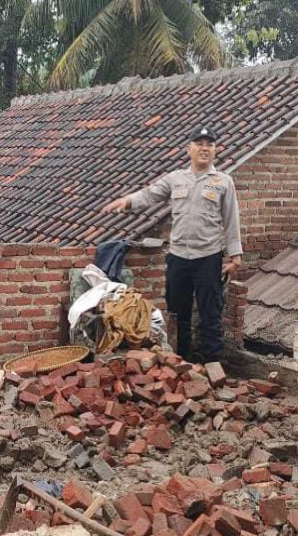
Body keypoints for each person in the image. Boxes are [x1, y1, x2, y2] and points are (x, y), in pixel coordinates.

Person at [101, 126, 243, 363]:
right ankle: (180, 362)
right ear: (189, 149)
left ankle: (213, 366)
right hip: (178, 258)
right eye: (199, 144)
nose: (204, 149)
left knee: (210, 314)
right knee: (178, 314)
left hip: (208, 257)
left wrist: (235, 257)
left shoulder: (223, 182)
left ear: (215, 150)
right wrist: (127, 201)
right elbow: (150, 194)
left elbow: (231, 219)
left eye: (209, 145)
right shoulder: (175, 178)